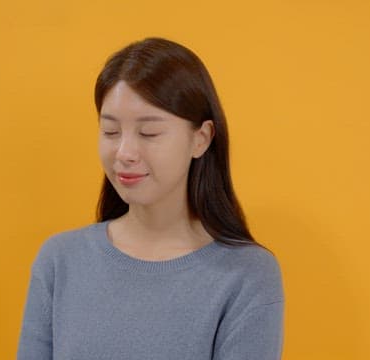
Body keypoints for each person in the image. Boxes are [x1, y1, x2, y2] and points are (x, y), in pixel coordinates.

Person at [17, 37, 284, 360]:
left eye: (149, 133)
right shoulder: (60, 261)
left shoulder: (247, 275)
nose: (124, 153)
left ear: (200, 139)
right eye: (111, 132)